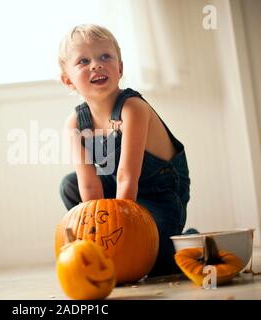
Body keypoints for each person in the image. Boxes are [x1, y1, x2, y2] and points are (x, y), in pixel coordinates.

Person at [58, 24, 191, 277]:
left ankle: (187, 241)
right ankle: (94, 245)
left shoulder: (132, 109)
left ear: (119, 68)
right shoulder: (75, 124)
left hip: (159, 195)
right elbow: (90, 187)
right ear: (68, 80)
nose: (96, 64)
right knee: (70, 184)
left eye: (105, 57)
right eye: (83, 61)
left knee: (155, 265)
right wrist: (100, 234)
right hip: (118, 193)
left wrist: (126, 235)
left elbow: (126, 176)